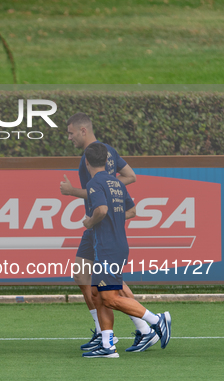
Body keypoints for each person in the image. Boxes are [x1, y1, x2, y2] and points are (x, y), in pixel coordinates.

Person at [60, 112, 154, 352]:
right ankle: (132, 329)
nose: (68, 137)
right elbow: (130, 176)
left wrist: (72, 191)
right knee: (86, 277)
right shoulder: (108, 150)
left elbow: (96, 190)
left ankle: (143, 327)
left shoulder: (88, 158)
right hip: (101, 223)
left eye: (71, 132)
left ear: (83, 130)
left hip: (97, 224)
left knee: (104, 281)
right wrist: (113, 193)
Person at [81, 142, 171, 358]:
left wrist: (90, 222)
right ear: (106, 161)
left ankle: (157, 320)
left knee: (110, 298)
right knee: (96, 295)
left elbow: (101, 210)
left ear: (86, 163)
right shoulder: (117, 183)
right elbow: (132, 211)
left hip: (107, 248)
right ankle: (107, 346)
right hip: (118, 245)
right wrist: (113, 219)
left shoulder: (94, 184)